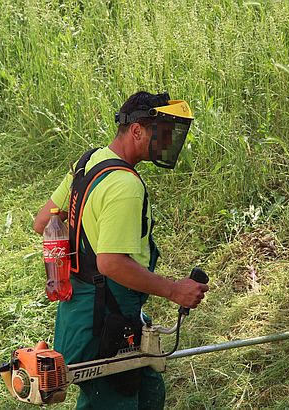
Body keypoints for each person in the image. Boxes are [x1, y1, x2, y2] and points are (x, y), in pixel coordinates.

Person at [33, 91, 209, 409]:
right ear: (137, 130)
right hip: (103, 318)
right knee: (114, 397)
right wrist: (174, 290)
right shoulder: (125, 185)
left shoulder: (87, 163)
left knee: (147, 388)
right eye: (163, 133)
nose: (167, 142)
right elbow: (112, 264)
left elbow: (43, 220)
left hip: (83, 308)